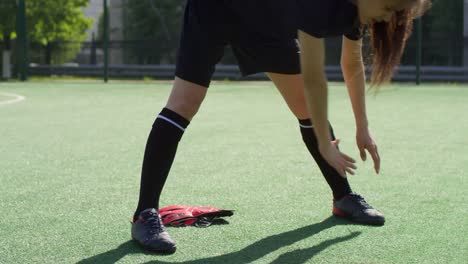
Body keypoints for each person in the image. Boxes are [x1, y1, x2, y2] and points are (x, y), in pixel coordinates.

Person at [130, 0, 431, 254]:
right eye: (390, 6)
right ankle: (145, 214)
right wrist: (326, 145)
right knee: (184, 104)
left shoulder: (359, 9)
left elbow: (351, 65)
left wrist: (362, 128)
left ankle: (343, 197)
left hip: (266, 20)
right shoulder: (321, 6)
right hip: (216, 7)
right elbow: (315, 78)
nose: (388, 16)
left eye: (396, 13)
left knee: (303, 105)